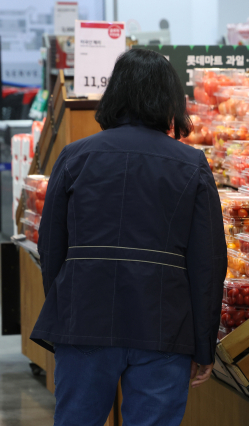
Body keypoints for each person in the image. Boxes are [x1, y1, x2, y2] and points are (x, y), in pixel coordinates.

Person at [30, 48, 227, 426]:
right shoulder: (191, 165)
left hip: (85, 318)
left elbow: (51, 246)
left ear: (114, 94)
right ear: (171, 100)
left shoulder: (74, 157)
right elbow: (209, 263)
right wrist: (203, 345)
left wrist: (64, 308)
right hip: (163, 326)